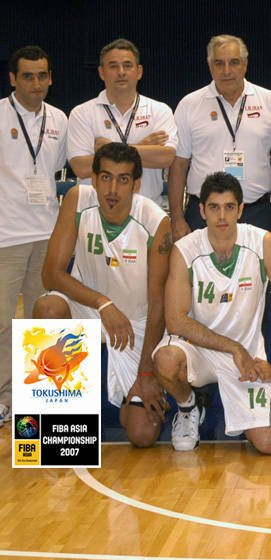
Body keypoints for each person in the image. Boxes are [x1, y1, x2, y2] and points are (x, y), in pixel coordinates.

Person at [154, 172, 271, 453]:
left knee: (270, 444)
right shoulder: (184, 250)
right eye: (214, 207)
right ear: (201, 210)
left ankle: (246, 411)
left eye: (229, 207)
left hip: (247, 359)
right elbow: (175, 321)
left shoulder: (264, 243)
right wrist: (233, 347)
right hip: (197, 350)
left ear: (241, 209)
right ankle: (188, 408)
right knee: (166, 360)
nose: (222, 216)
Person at [34, 143, 171, 447]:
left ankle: (129, 400)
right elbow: (51, 273)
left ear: (136, 184)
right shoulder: (77, 200)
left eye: (123, 179)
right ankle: (56, 430)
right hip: (90, 308)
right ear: (93, 179)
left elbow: (159, 305)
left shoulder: (155, 221)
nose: (113, 188)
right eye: (105, 177)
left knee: (142, 434)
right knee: (48, 307)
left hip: (136, 322)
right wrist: (102, 303)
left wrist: (146, 373)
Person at [168, 35, 271, 247]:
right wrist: (177, 218)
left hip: (256, 213)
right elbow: (178, 165)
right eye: (219, 63)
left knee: (259, 279)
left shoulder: (270, 102)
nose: (227, 71)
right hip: (203, 215)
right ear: (210, 66)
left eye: (234, 62)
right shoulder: (189, 105)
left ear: (245, 64)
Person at [0, 46, 68, 426]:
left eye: (42, 75)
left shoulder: (59, 119)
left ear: (51, 77)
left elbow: (57, 169)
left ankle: (34, 400)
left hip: (47, 234)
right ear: (13, 79)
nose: (36, 83)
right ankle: (3, 397)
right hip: (5, 237)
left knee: (39, 322)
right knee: (2, 321)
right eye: (28, 76)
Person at [67, 38, 177, 202]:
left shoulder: (159, 110)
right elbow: (81, 167)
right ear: (101, 72)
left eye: (127, 65)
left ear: (139, 71)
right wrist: (142, 147)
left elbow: (165, 158)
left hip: (146, 208)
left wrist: (108, 149)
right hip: (97, 211)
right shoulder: (82, 113)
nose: (121, 72)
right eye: (113, 66)